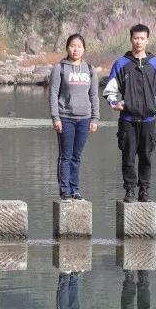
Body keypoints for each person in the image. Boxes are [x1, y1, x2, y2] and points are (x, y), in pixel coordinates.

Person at [103, 23, 156, 202]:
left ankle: (144, 191)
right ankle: (130, 190)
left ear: (147, 40)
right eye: (135, 38)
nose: (138, 41)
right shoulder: (121, 63)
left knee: (146, 156)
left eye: (142, 38)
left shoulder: (155, 63)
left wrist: (153, 105)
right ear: (130, 39)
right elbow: (110, 89)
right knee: (128, 156)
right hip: (128, 119)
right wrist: (115, 103)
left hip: (148, 119)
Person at [48, 34, 99, 200]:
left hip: (84, 119)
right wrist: (55, 118)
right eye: (72, 45)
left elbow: (94, 96)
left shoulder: (90, 70)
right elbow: (53, 94)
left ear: (84, 49)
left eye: (79, 46)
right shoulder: (60, 68)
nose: (75, 49)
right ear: (67, 48)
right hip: (65, 118)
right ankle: (65, 190)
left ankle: (75, 190)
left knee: (77, 157)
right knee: (66, 156)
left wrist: (95, 118)